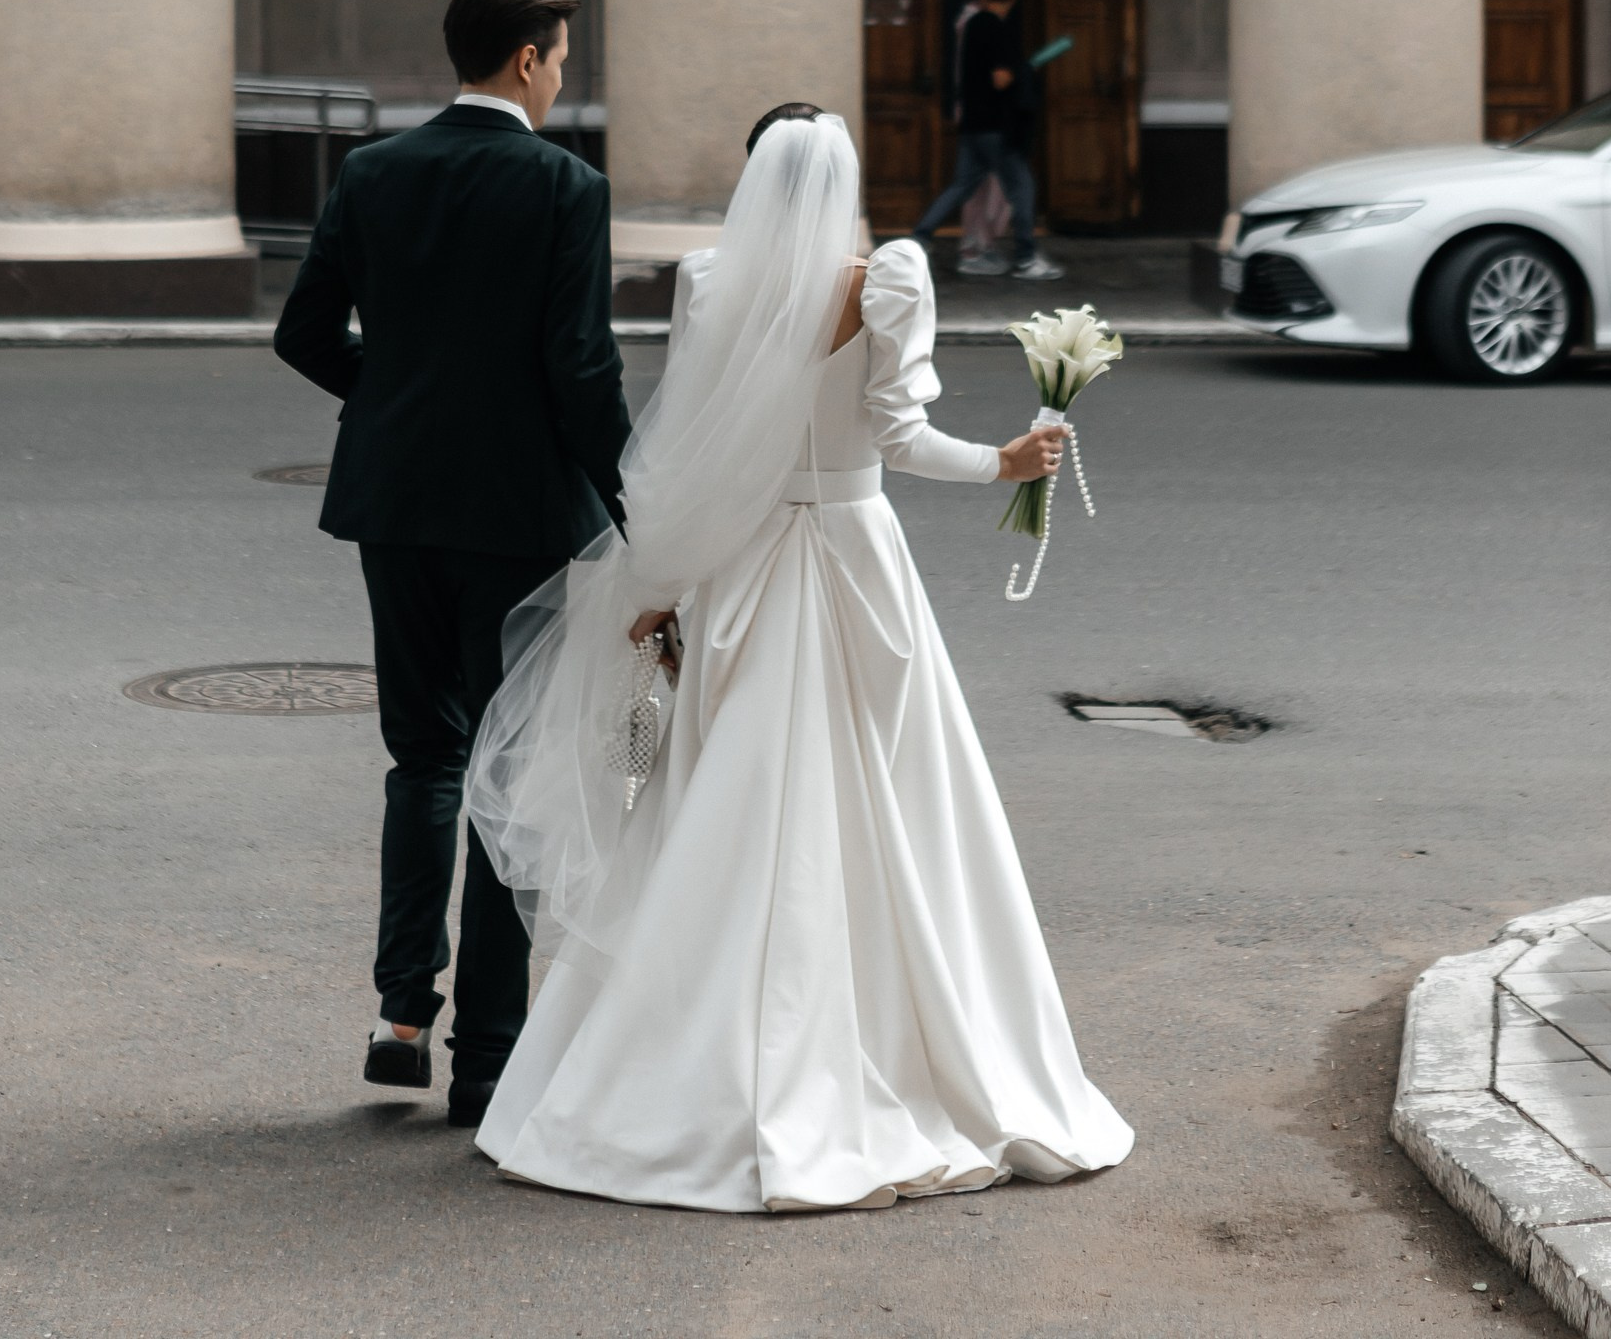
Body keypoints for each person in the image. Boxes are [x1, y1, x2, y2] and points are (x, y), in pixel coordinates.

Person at [465, 105, 1132, 1213]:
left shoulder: (707, 284)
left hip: (742, 559)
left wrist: (658, 585)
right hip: (855, 558)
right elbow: (899, 439)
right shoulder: (888, 281)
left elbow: (687, 447)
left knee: (718, 801)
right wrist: (1004, 462)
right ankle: (897, 1046)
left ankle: (660, 1074)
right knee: (893, 796)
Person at [272, 0, 630, 1129]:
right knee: (509, 773)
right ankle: (487, 1058)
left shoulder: (372, 172)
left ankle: (398, 1020)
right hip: (520, 517)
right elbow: (581, 369)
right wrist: (639, 501)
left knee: (421, 758)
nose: (560, 77)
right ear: (526, 61)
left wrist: (391, 402)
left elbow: (302, 332)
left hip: (395, 504)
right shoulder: (566, 187)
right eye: (559, 59)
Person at [914, 0, 1062, 282]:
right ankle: (1026, 258)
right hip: (997, 126)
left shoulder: (973, 25)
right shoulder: (999, 28)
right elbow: (1001, 79)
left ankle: (919, 238)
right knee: (1023, 188)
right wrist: (1026, 69)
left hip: (973, 124)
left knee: (961, 186)